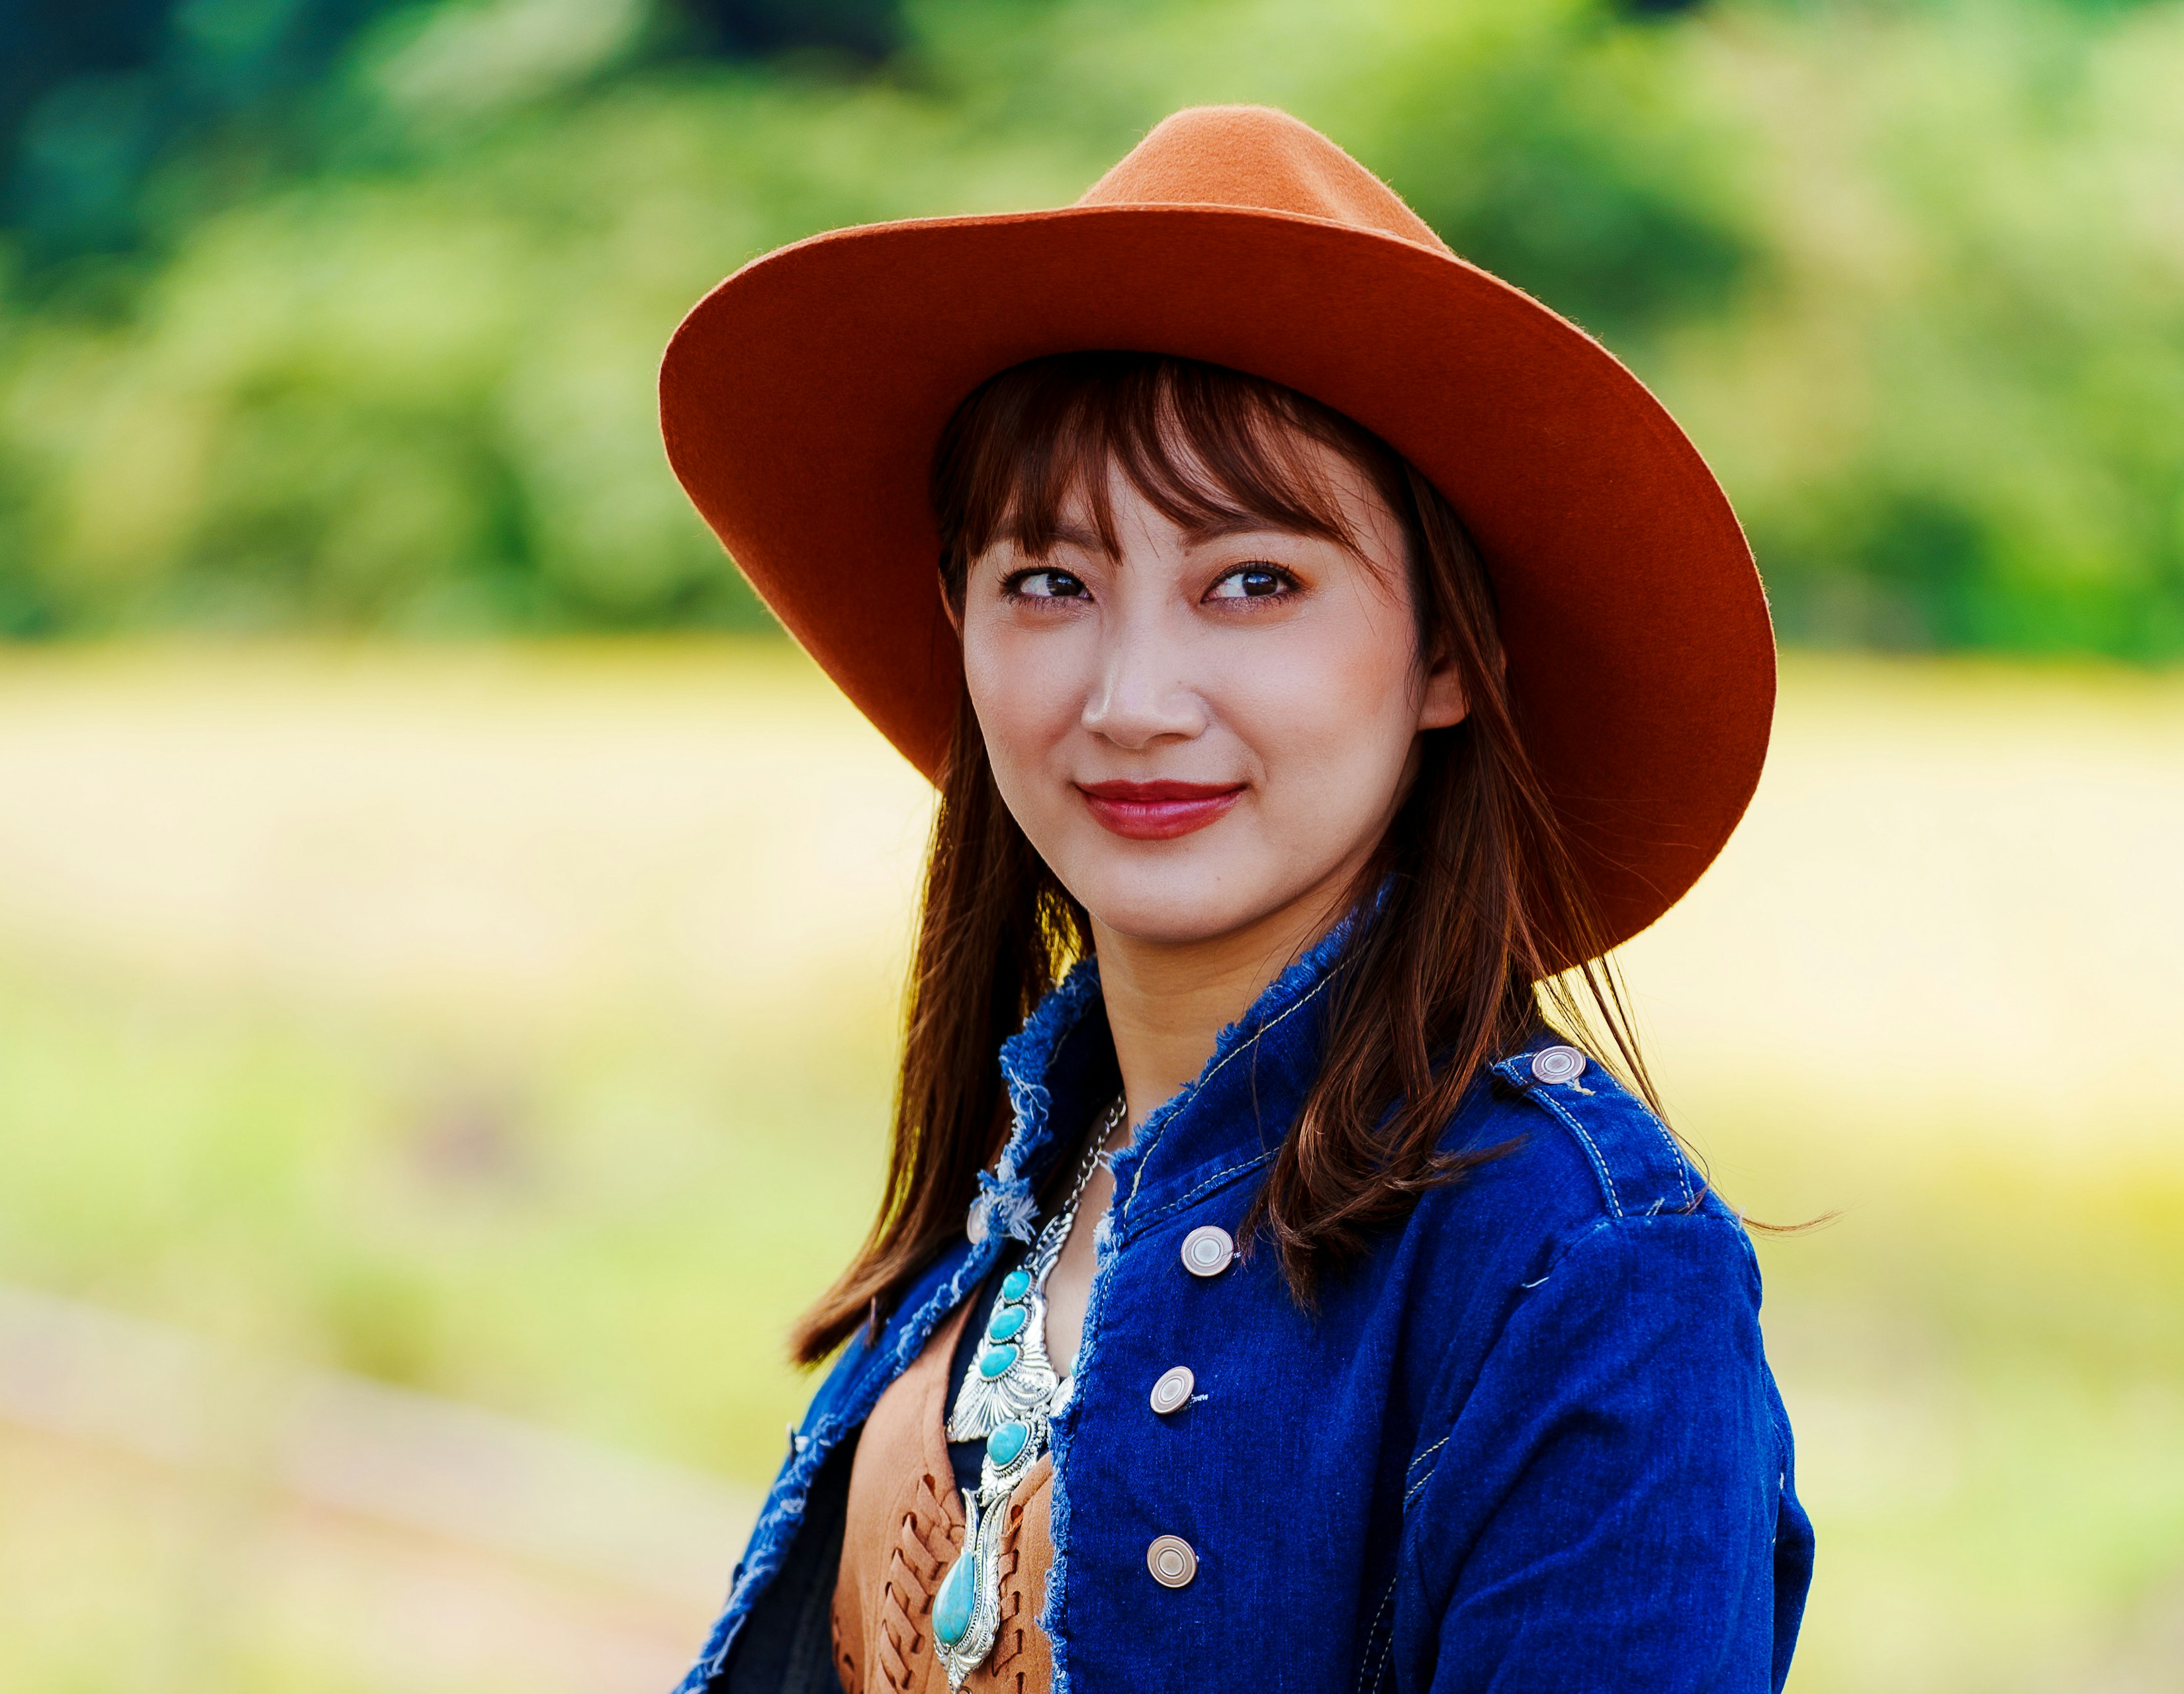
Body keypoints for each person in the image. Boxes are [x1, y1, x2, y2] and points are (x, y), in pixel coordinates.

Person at [657, 104, 1813, 1694]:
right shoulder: (1021, 1194)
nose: (1131, 697)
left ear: (1449, 654)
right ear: (964, 627)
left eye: (1252, 580)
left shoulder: (1585, 1274)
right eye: (1048, 582)